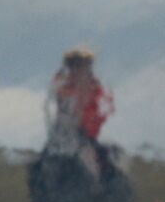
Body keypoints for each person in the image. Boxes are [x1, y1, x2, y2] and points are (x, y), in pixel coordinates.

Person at [44, 45, 116, 180]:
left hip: (85, 133)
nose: (82, 69)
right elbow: (60, 107)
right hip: (65, 134)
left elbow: (102, 109)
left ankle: (99, 186)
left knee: (103, 161)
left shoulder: (94, 85)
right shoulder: (63, 85)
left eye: (85, 65)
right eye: (77, 65)